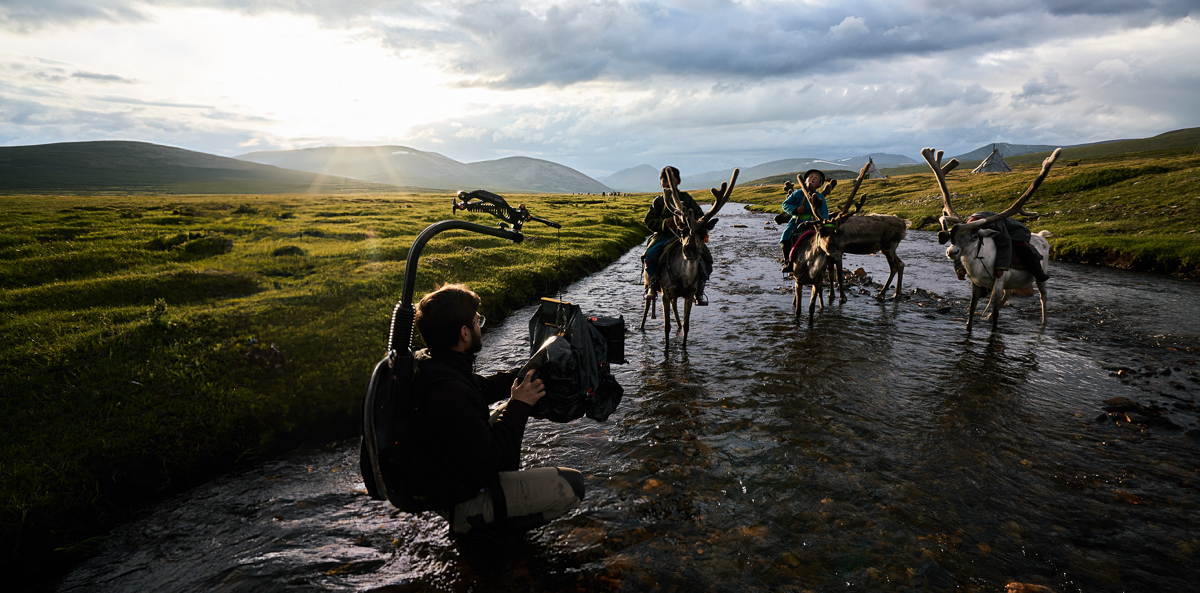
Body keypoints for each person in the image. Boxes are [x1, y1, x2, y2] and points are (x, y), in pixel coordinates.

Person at [407, 283, 585, 536]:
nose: (482, 325)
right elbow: (496, 460)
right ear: (464, 333)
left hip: (445, 471)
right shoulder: (450, 393)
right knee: (573, 486)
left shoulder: (436, 361)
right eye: (477, 321)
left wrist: (528, 371)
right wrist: (520, 405)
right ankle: (478, 526)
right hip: (460, 494)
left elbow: (483, 387)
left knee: (504, 409)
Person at [641, 165, 714, 305]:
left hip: (687, 236)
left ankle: (699, 289)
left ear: (678, 182)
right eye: (664, 182)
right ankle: (652, 284)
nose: (667, 185)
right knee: (650, 255)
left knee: (707, 259)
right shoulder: (659, 201)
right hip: (663, 236)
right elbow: (649, 220)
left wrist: (691, 223)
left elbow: (700, 217)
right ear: (661, 183)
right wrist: (665, 223)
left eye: (670, 181)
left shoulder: (686, 198)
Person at [952, 212, 1050, 283]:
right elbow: (959, 246)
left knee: (1022, 248)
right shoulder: (966, 228)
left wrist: (1001, 267)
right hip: (989, 230)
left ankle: (1038, 273)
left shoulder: (994, 224)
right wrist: (959, 268)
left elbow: (1004, 243)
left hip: (1016, 232)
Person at [779, 169, 830, 272]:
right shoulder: (798, 193)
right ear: (805, 180)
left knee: (824, 240)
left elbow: (824, 211)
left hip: (813, 222)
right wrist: (796, 209)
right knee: (785, 239)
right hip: (796, 222)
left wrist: (824, 222)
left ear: (819, 184)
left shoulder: (820, 197)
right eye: (810, 177)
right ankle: (788, 262)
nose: (812, 180)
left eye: (816, 179)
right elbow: (785, 205)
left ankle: (826, 260)